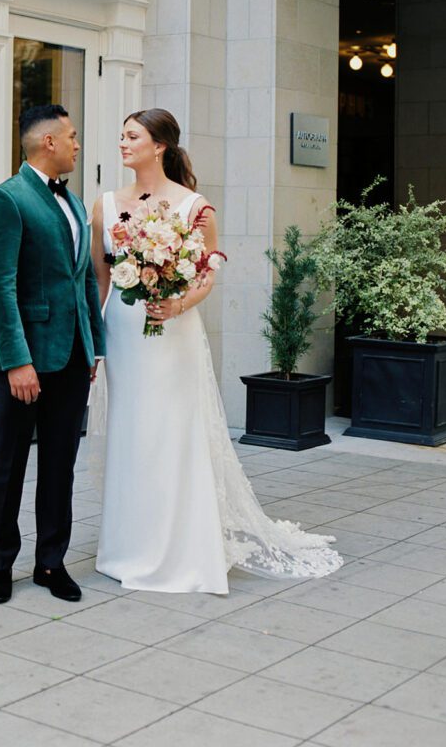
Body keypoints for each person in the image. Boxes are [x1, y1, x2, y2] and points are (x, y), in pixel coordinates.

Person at [90, 108, 342, 593]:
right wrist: (96, 348)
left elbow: (207, 274)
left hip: (173, 334)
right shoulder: (104, 204)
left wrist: (177, 302)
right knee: (131, 434)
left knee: (170, 433)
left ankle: (180, 548)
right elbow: (99, 281)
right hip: (122, 335)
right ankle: (128, 546)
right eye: (120, 135)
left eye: (132, 136)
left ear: (158, 144)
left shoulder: (193, 207)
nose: (122, 143)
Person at [0, 104, 106, 604]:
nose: (77, 144)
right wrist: (17, 360)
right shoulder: (4, 201)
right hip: (24, 359)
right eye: (72, 136)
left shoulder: (74, 204)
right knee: (6, 465)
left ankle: (51, 563)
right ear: (48, 142)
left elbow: (83, 283)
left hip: (72, 356)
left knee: (59, 465)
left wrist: (93, 346)